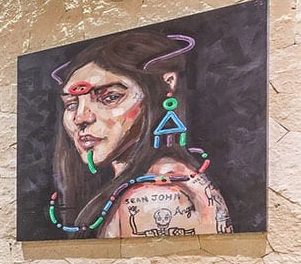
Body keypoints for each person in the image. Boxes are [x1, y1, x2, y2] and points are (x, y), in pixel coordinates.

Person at [49, 30, 232, 239]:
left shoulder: (156, 196)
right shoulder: (162, 181)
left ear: (166, 84)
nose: (81, 118)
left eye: (110, 97)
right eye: (71, 104)